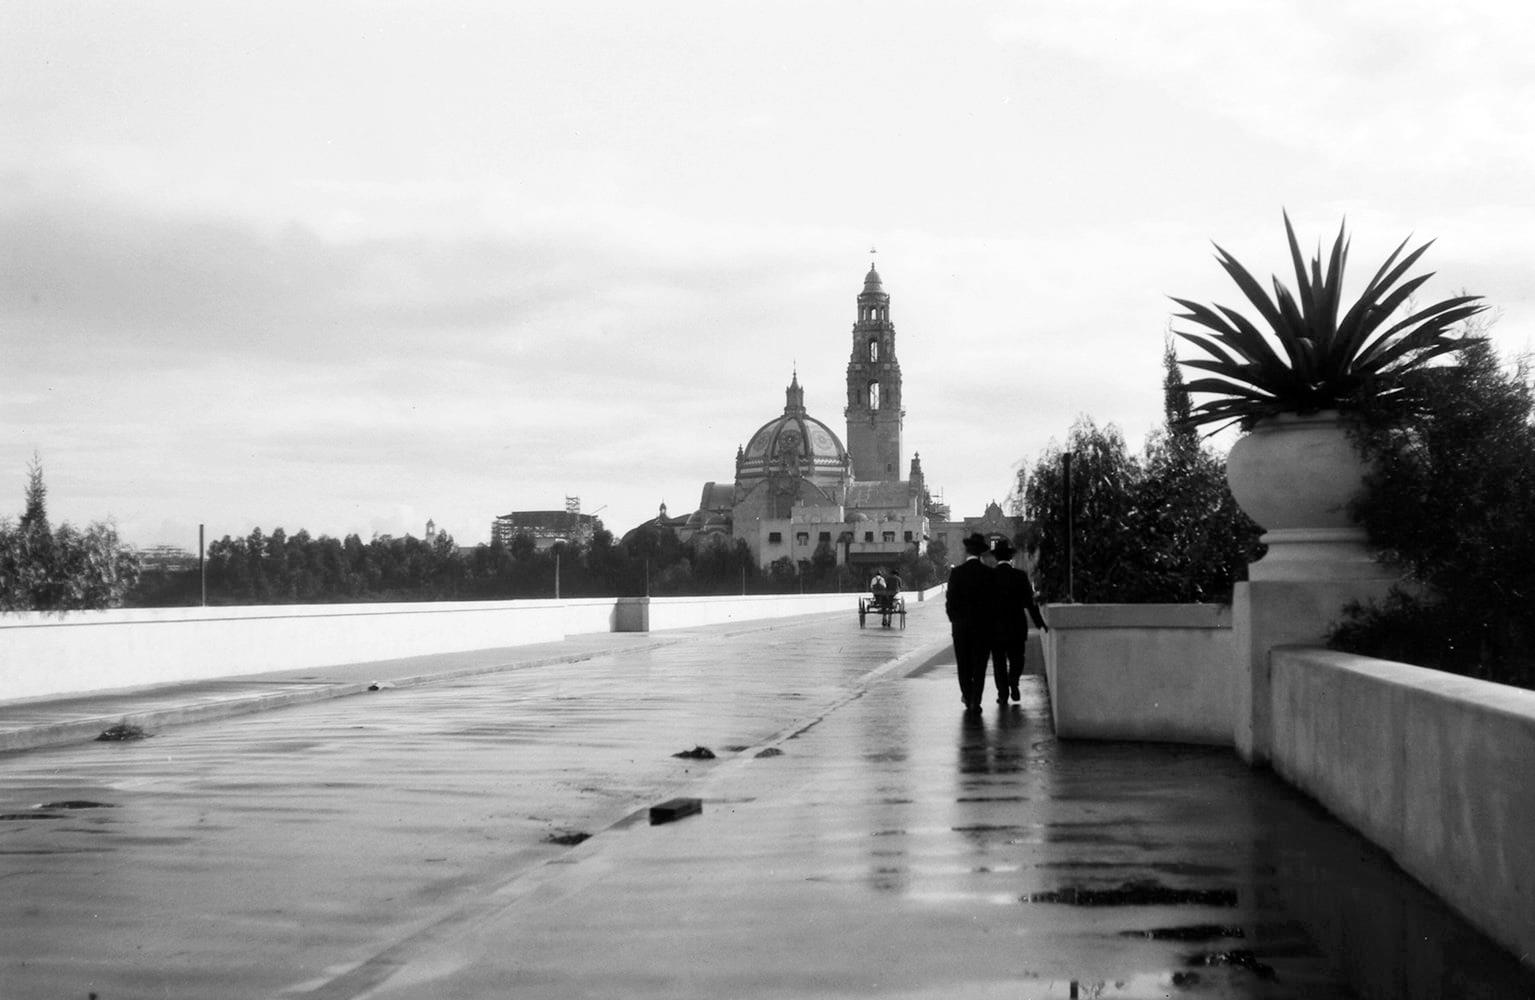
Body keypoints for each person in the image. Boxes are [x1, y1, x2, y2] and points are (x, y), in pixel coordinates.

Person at [990, 538, 1048, 703]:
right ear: (1011, 558)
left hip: (996, 628)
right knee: (1017, 659)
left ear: (996, 558)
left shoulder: (990, 576)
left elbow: (984, 604)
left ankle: (1002, 694)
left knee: (998, 663)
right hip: (1016, 626)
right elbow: (1031, 604)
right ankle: (1013, 682)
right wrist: (1040, 623)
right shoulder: (1020, 576)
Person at [945, 533, 997, 711]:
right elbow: (994, 602)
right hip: (983, 628)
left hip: (961, 627)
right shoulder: (990, 574)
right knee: (980, 664)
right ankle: (976, 699)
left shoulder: (957, 572)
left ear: (967, 551)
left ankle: (967, 696)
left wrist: (955, 620)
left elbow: (950, 601)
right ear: (981, 553)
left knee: (964, 663)